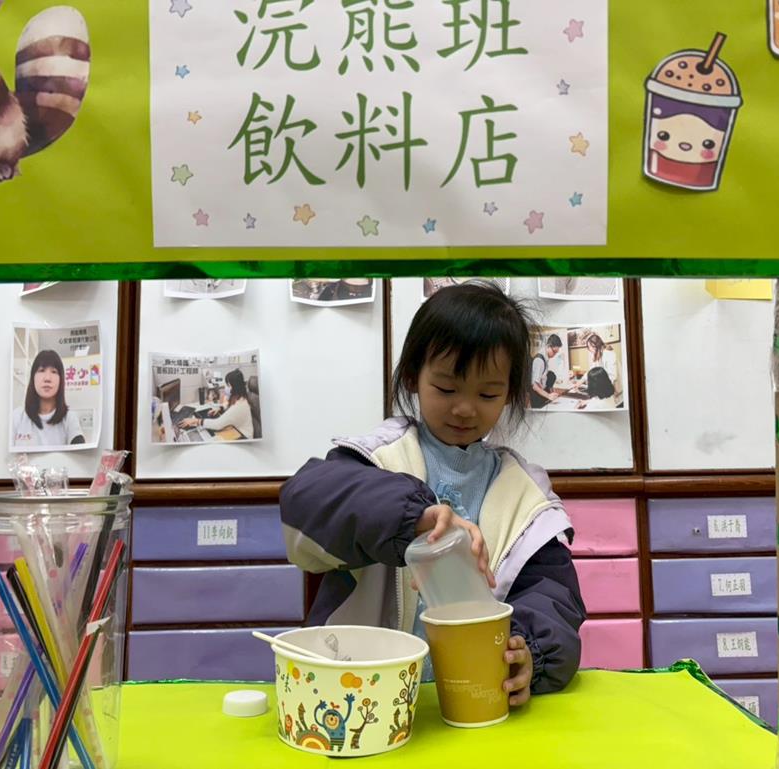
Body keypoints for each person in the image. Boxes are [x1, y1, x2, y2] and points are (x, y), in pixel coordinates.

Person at [280, 282, 585, 707]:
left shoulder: (524, 494)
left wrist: (528, 650)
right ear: (413, 376)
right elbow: (304, 504)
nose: (465, 408)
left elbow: (553, 595)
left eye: (488, 394)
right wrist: (411, 517)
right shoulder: (376, 458)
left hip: (473, 701)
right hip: (360, 695)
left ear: (511, 394)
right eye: (446, 388)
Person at [11, 349, 86, 447]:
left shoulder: (69, 418)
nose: (47, 378)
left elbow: (80, 450)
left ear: (61, 380)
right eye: (41, 370)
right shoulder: (17, 417)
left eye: (54, 372)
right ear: (33, 378)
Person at [178, 368, 254, 439]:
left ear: (235, 387)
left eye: (228, 385)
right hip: (235, 429)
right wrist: (220, 409)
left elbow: (217, 424)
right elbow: (229, 405)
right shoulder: (239, 397)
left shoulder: (240, 405)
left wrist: (196, 421)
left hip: (243, 437)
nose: (226, 387)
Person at [529, 333, 563, 408]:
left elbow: (544, 377)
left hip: (542, 391)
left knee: (551, 375)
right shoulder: (539, 360)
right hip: (537, 395)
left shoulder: (545, 358)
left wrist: (551, 392)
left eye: (556, 353)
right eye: (554, 351)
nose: (554, 355)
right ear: (548, 346)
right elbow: (534, 386)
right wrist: (548, 395)